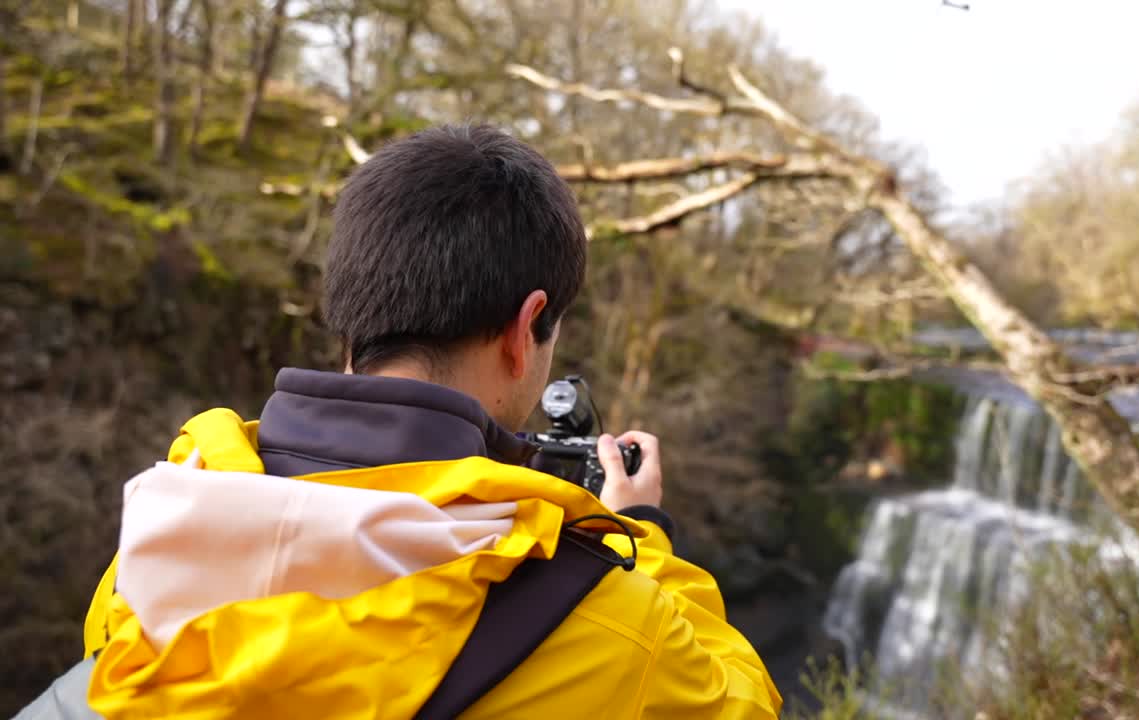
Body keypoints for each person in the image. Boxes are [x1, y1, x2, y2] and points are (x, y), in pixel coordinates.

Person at [18, 124, 782, 719]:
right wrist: (643, 534)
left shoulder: (160, 537)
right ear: (526, 329)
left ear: (347, 304)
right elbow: (744, 701)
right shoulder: (611, 629)